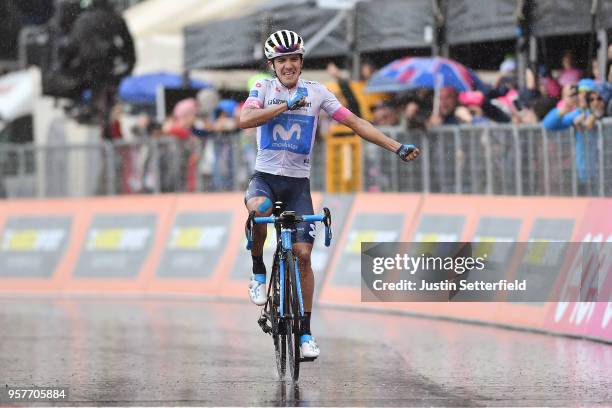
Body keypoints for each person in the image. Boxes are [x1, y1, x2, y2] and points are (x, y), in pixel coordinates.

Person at [238, 30, 419, 359]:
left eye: (294, 59)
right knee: (260, 209)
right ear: (272, 65)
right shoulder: (263, 89)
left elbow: (356, 123)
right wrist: (282, 107)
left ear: (302, 62)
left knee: (304, 256)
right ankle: (258, 272)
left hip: (297, 186)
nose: (289, 65)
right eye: (282, 60)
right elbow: (245, 118)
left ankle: (305, 333)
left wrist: (396, 146)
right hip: (265, 178)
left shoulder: (318, 93)